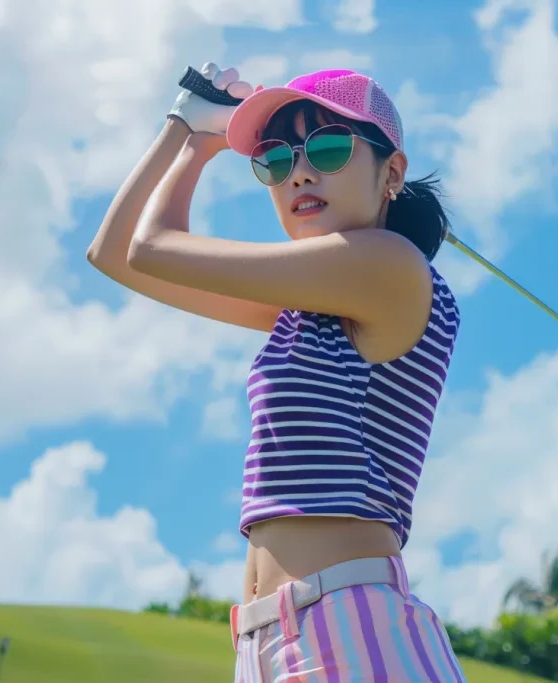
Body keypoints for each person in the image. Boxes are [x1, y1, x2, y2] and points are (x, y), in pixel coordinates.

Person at [88, 62, 465, 682]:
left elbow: (149, 246)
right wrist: (189, 134)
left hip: (353, 627)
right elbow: (114, 254)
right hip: (264, 641)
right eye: (276, 160)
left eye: (331, 147)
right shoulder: (310, 308)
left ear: (391, 173)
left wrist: (195, 132)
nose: (302, 171)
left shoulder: (390, 266)